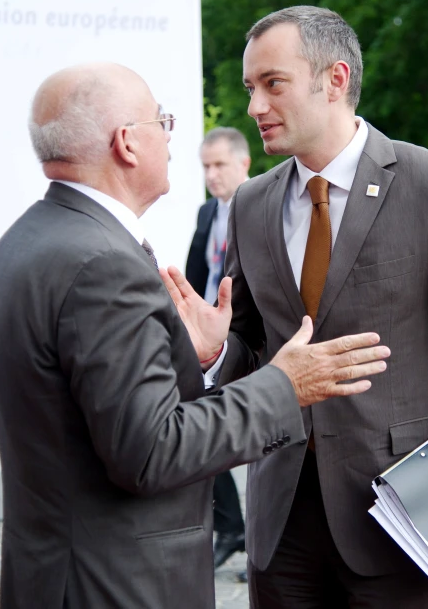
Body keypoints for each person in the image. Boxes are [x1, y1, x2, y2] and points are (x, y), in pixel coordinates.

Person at [171, 7, 428, 608]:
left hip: (407, 517)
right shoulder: (250, 204)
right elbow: (255, 355)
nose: (254, 106)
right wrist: (214, 353)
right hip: (281, 526)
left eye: (272, 84)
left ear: (335, 79)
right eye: (250, 88)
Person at [0, 62, 391, 609]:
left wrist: (201, 357)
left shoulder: (26, 241)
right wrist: (284, 386)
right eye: (162, 121)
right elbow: (150, 452)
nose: (171, 137)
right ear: (127, 142)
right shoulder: (103, 262)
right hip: (119, 585)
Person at [185, 127, 251, 574]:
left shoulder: (263, 206)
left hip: (246, 339)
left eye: (220, 164)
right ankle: (233, 527)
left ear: (243, 163)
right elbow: (196, 272)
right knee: (205, 434)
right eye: (206, 166)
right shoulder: (208, 212)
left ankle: (248, 531)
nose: (211, 174)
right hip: (208, 340)